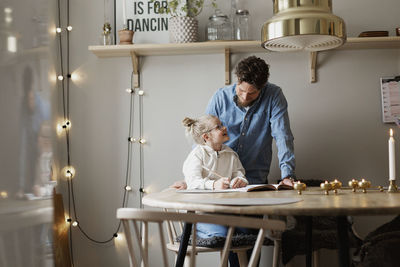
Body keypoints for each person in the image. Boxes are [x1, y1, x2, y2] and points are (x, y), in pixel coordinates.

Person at [172, 55, 296, 189]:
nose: (245, 97)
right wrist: (191, 181)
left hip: (255, 179)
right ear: (237, 80)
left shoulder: (274, 96)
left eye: (252, 93)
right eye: (241, 90)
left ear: (263, 87)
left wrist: (287, 175)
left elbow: (283, 136)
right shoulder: (220, 97)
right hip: (217, 182)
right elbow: (202, 136)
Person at [182, 115, 249, 239]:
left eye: (222, 125)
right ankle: (192, 230)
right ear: (206, 137)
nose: (224, 128)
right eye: (218, 127)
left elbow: (239, 174)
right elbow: (192, 183)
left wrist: (239, 181)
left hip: (226, 212)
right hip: (201, 213)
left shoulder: (230, 154)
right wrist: (213, 184)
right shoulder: (197, 155)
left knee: (246, 232)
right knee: (222, 235)